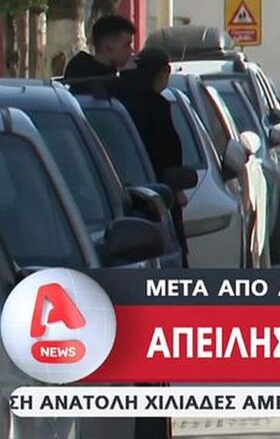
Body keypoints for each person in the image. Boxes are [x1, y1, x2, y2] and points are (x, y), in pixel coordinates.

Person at [115, 48, 190, 267]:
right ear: (162, 73)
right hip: (154, 200)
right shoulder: (157, 109)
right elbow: (167, 152)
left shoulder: (117, 102)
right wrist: (175, 189)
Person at [63, 14, 136, 80]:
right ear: (109, 47)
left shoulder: (78, 69)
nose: (131, 50)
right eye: (127, 44)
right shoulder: (98, 80)